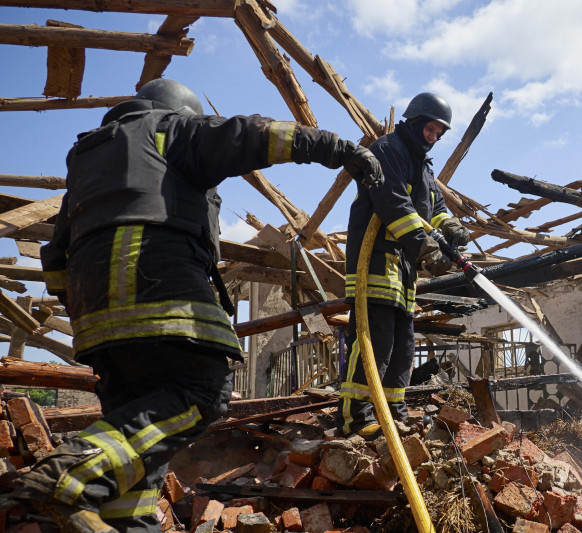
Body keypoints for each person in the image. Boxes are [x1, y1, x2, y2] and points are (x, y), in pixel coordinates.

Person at [5, 78, 383, 533]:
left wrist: (87, 312)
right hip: (157, 287)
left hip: (96, 320)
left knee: (144, 434)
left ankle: (130, 521)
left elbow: (55, 253)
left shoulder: (90, 165)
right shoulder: (168, 129)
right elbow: (250, 136)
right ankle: (68, 476)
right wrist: (340, 149)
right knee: (202, 393)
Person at [336, 92, 470, 438]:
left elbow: (434, 209)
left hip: (403, 268)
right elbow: (393, 204)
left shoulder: (423, 167)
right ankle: (356, 416)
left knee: (402, 345)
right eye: (431, 128)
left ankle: (393, 411)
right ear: (415, 120)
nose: (434, 136)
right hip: (376, 262)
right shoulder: (387, 150)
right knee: (373, 340)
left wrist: (451, 227)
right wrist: (427, 248)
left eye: (440, 132)